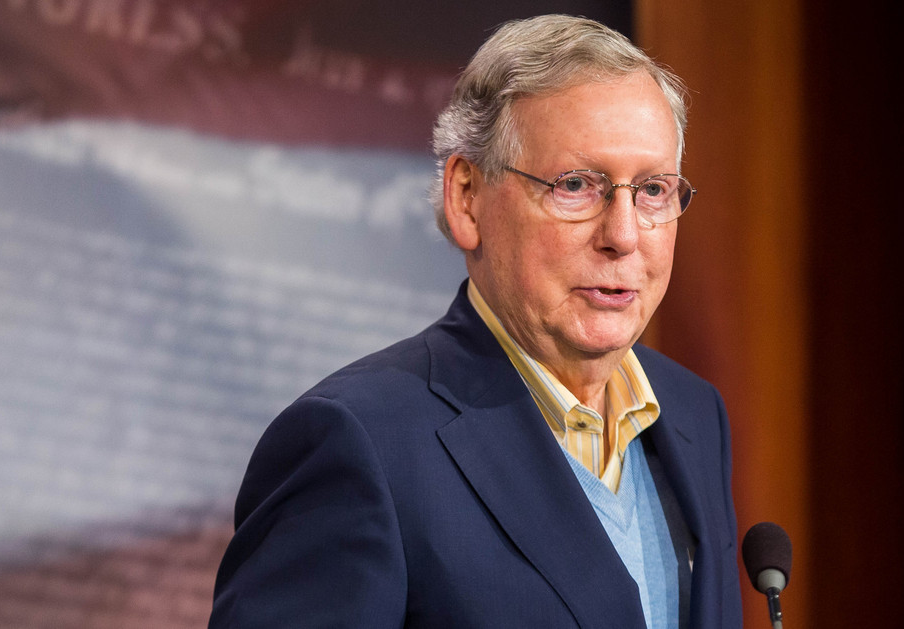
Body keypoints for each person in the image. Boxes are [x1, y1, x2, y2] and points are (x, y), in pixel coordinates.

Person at [210, 14, 741, 629]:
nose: (623, 236)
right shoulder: (358, 444)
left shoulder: (695, 415)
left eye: (652, 190)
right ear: (467, 196)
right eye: (575, 185)